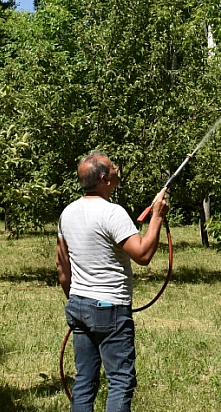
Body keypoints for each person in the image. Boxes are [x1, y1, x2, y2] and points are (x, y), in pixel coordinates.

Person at [56, 152, 169, 412]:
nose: (119, 167)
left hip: (78, 305)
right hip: (110, 309)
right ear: (105, 179)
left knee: (84, 381)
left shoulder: (67, 213)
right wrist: (158, 217)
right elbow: (143, 254)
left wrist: (77, 300)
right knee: (121, 380)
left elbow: (63, 268)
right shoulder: (112, 213)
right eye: (114, 165)